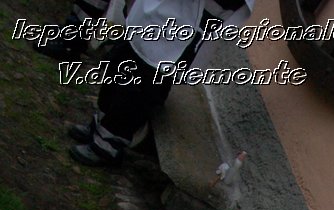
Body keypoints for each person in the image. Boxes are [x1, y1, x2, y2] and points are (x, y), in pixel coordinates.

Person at [60, 1, 255, 167]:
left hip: (183, 28)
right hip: (158, 15)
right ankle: (100, 126)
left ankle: (108, 145)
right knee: (122, 62)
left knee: (139, 88)